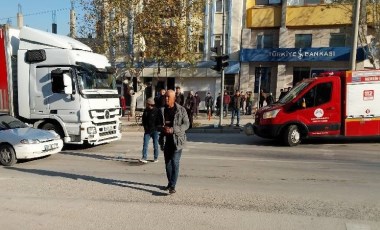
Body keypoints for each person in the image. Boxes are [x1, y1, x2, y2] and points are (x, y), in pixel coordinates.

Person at [159, 89, 189, 194]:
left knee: (175, 162)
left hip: (178, 140)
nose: (166, 98)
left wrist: (173, 129)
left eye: (168, 97)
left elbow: (186, 124)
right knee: (167, 163)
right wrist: (162, 128)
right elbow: (158, 124)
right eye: (165, 97)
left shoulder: (181, 110)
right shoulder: (162, 110)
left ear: (174, 98)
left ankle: (172, 186)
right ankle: (170, 182)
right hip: (166, 140)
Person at [140, 98, 163, 163]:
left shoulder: (157, 111)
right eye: (148, 104)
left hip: (155, 130)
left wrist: (158, 128)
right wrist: (145, 127)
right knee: (145, 144)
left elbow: (160, 121)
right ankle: (144, 157)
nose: (149, 106)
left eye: (150, 105)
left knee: (155, 144)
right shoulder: (146, 111)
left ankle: (156, 158)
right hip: (147, 131)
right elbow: (143, 120)